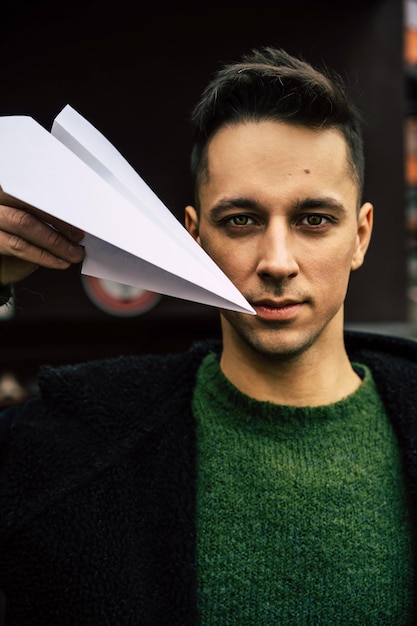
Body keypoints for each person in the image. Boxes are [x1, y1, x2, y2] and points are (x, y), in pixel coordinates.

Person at [0, 46, 416, 625]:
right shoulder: (73, 446)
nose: (276, 261)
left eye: (313, 220)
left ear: (361, 236)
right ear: (195, 238)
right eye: (241, 220)